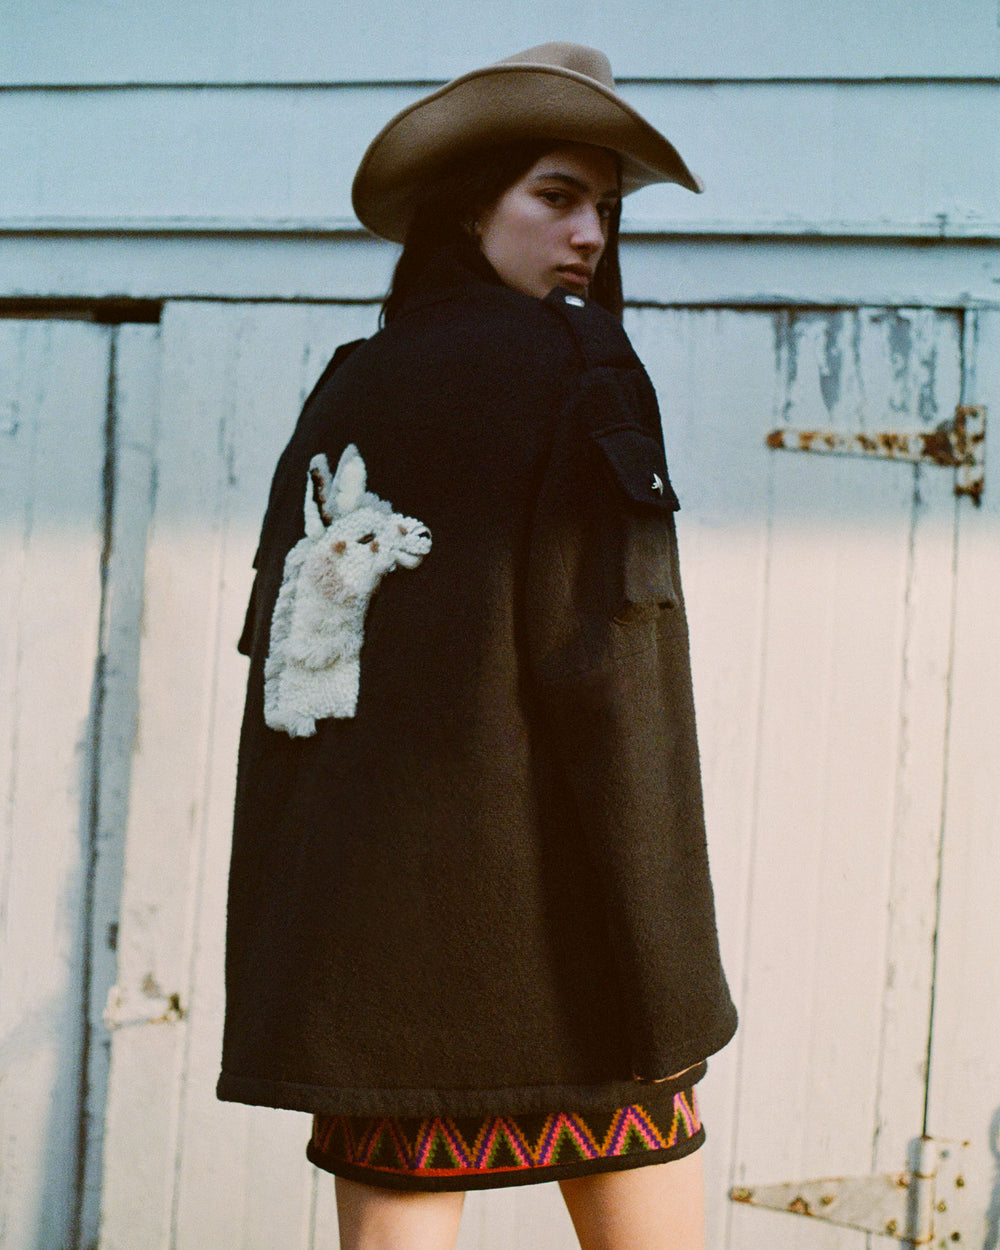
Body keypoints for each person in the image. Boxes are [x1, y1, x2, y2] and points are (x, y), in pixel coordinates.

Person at [218, 42, 737, 1250]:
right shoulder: (578, 364)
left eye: (603, 208)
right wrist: (667, 966)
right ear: (470, 205)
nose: (591, 236)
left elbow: (283, 675)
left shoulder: (349, 383)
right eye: (556, 197)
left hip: (372, 942)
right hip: (559, 929)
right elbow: (618, 662)